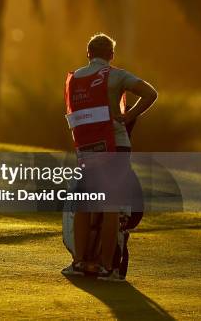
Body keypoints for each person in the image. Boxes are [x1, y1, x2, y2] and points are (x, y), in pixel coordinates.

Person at [61, 33, 157, 281]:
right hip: (115, 146)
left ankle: (79, 262)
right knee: (111, 207)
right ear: (111, 55)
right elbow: (150, 93)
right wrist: (129, 116)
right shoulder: (117, 75)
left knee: (84, 205)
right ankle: (107, 267)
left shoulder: (74, 78)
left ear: (88, 54)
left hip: (86, 147)